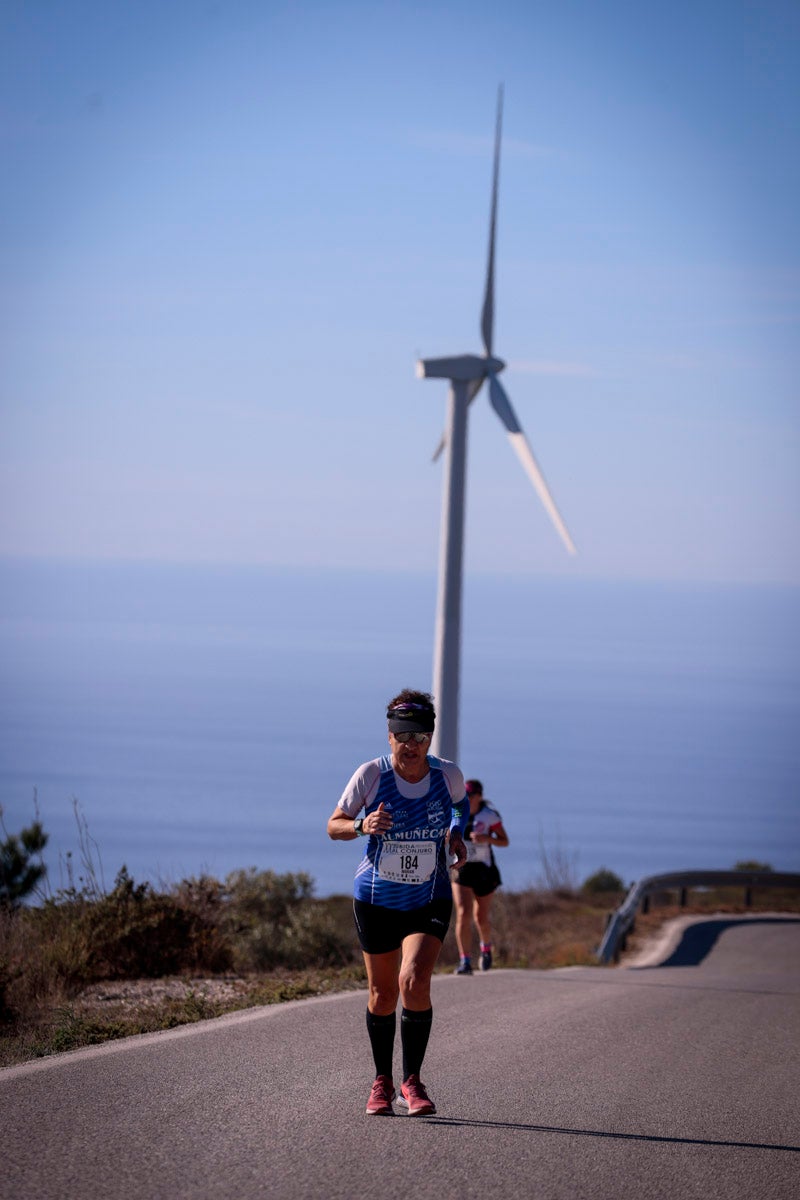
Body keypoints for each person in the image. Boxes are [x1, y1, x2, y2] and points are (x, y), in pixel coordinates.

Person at [327, 688, 468, 1117]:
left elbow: (461, 809)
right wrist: (362, 824)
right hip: (376, 899)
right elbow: (333, 826)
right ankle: (381, 1081)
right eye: (403, 736)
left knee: (414, 980)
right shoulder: (370, 775)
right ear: (389, 736)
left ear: (430, 738)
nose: (412, 746)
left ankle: (412, 1082)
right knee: (383, 994)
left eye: (421, 737)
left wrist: (458, 832)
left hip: (429, 895)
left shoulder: (448, 776)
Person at [451, 779, 509, 975]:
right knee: (462, 913)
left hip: (484, 870)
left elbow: (504, 841)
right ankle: (464, 961)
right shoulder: (457, 812)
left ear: (479, 796)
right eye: (465, 795)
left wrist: (487, 839)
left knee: (480, 917)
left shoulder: (489, 816)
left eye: (471, 795)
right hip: (462, 869)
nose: (467, 799)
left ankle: (486, 948)